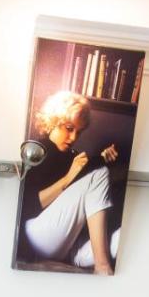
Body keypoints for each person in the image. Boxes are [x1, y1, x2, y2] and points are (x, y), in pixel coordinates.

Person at [18, 91, 122, 275]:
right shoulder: (36, 151)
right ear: (53, 122)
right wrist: (67, 179)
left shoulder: (70, 156)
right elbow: (27, 205)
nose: (73, 138)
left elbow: (88, 168)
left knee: (121, 238)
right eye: (69, 128)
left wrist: (103, 157)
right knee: (99, 174)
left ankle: (95, 259)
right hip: (36, 235)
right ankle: (102, 267)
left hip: (65, 244)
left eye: (78, 132)